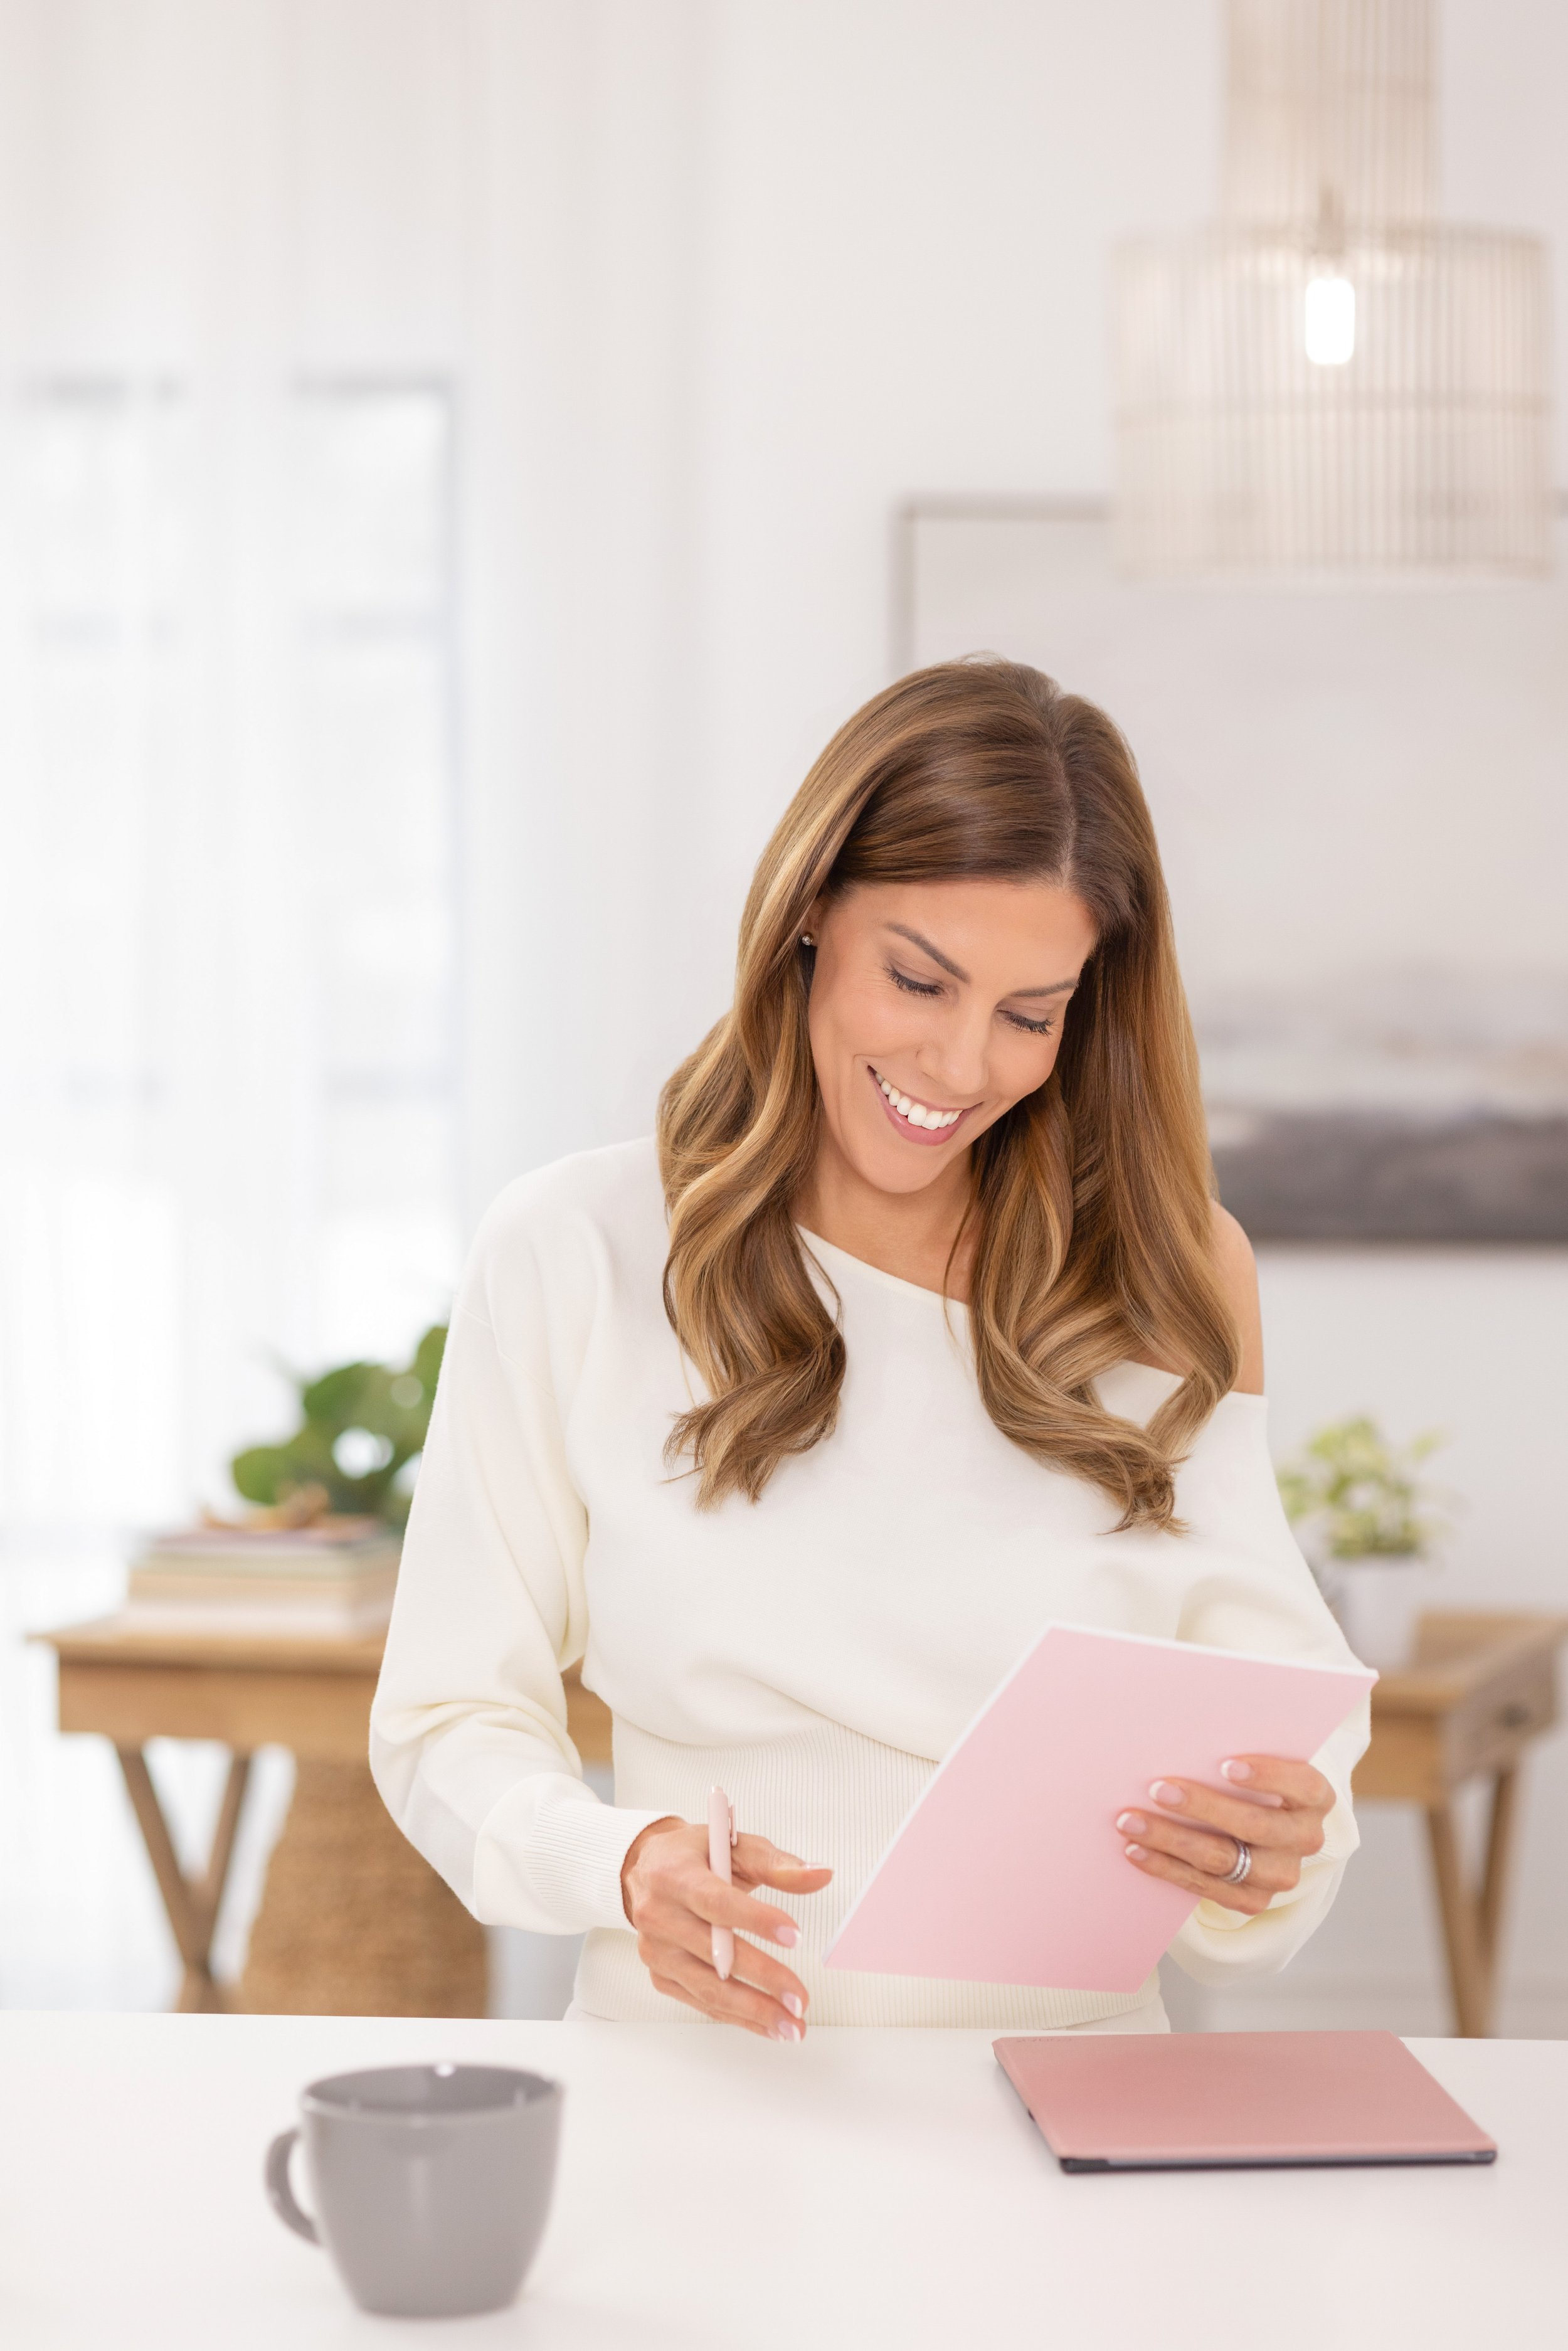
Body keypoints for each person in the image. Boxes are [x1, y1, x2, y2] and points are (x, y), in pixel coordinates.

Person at [371, 658, 1369, 2038]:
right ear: (805, 919)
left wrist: (1263, 1856)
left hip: (1070, 2124)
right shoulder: (576, 1249)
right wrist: (620, 1861)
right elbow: (444, 1724)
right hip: (701, 2112)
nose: (962, 1066)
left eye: (1030, 1013)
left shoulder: (1166, 1270)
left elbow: (1283, 1783)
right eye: (918, 978)